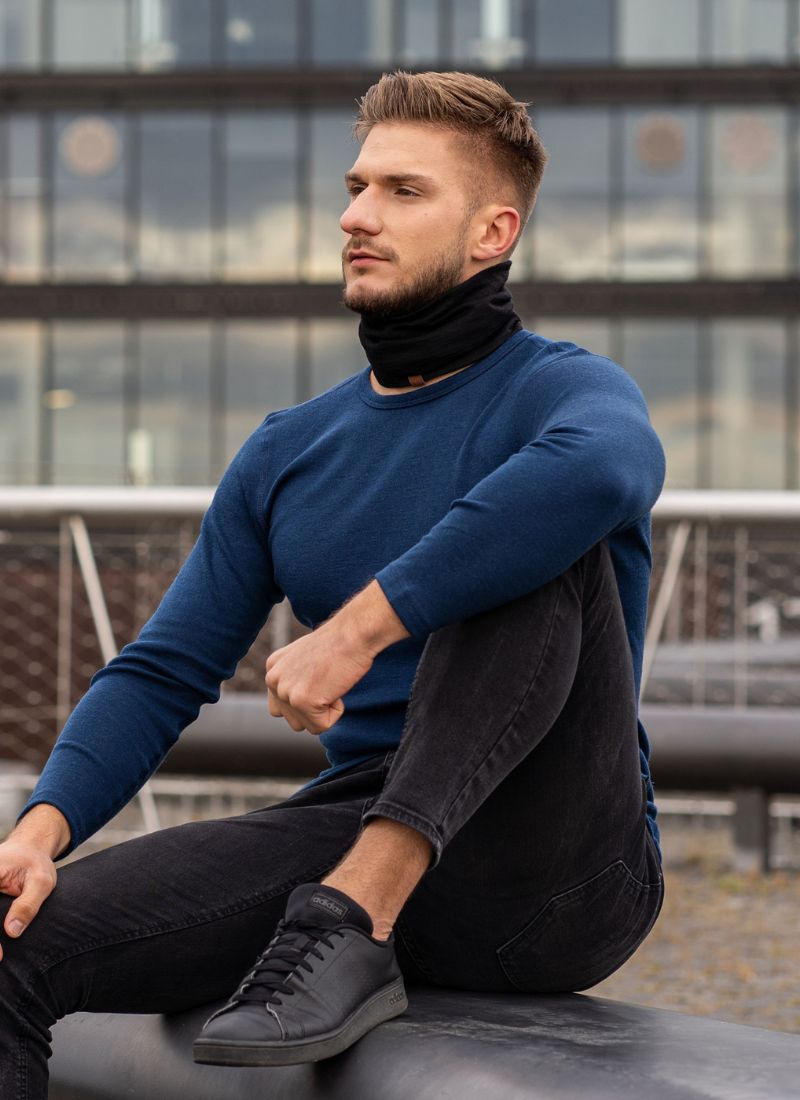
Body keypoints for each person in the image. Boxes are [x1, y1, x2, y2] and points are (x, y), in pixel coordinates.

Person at [0, 69, 666, 1090]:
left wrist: (358, 627)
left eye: (403, 191)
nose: (356, 215)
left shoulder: (562, 394)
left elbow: (605, 469)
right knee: (13, 941)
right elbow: (161, 669)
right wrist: (38, 832)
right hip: (352, 823)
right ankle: (347, 912)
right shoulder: (291, 449)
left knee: (536, 527)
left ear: (492, 233)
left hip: (556, 863)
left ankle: (357, 909)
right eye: (356, 187)